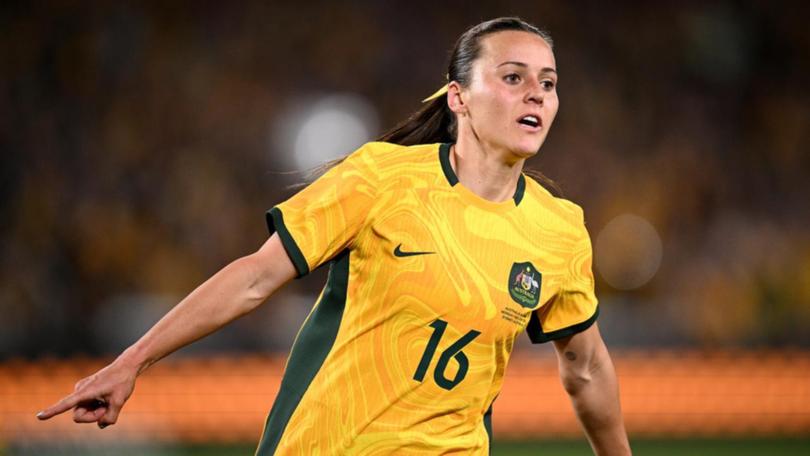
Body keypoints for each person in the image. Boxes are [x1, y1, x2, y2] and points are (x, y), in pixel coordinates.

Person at [37, 17, 631, 455]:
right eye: (512, 76)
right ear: (459, 98)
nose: (536, 93)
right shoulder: (379, 177)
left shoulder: (559, 230)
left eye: (548, 83)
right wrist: (132, 362)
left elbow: (585, 366)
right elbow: (253, 278)